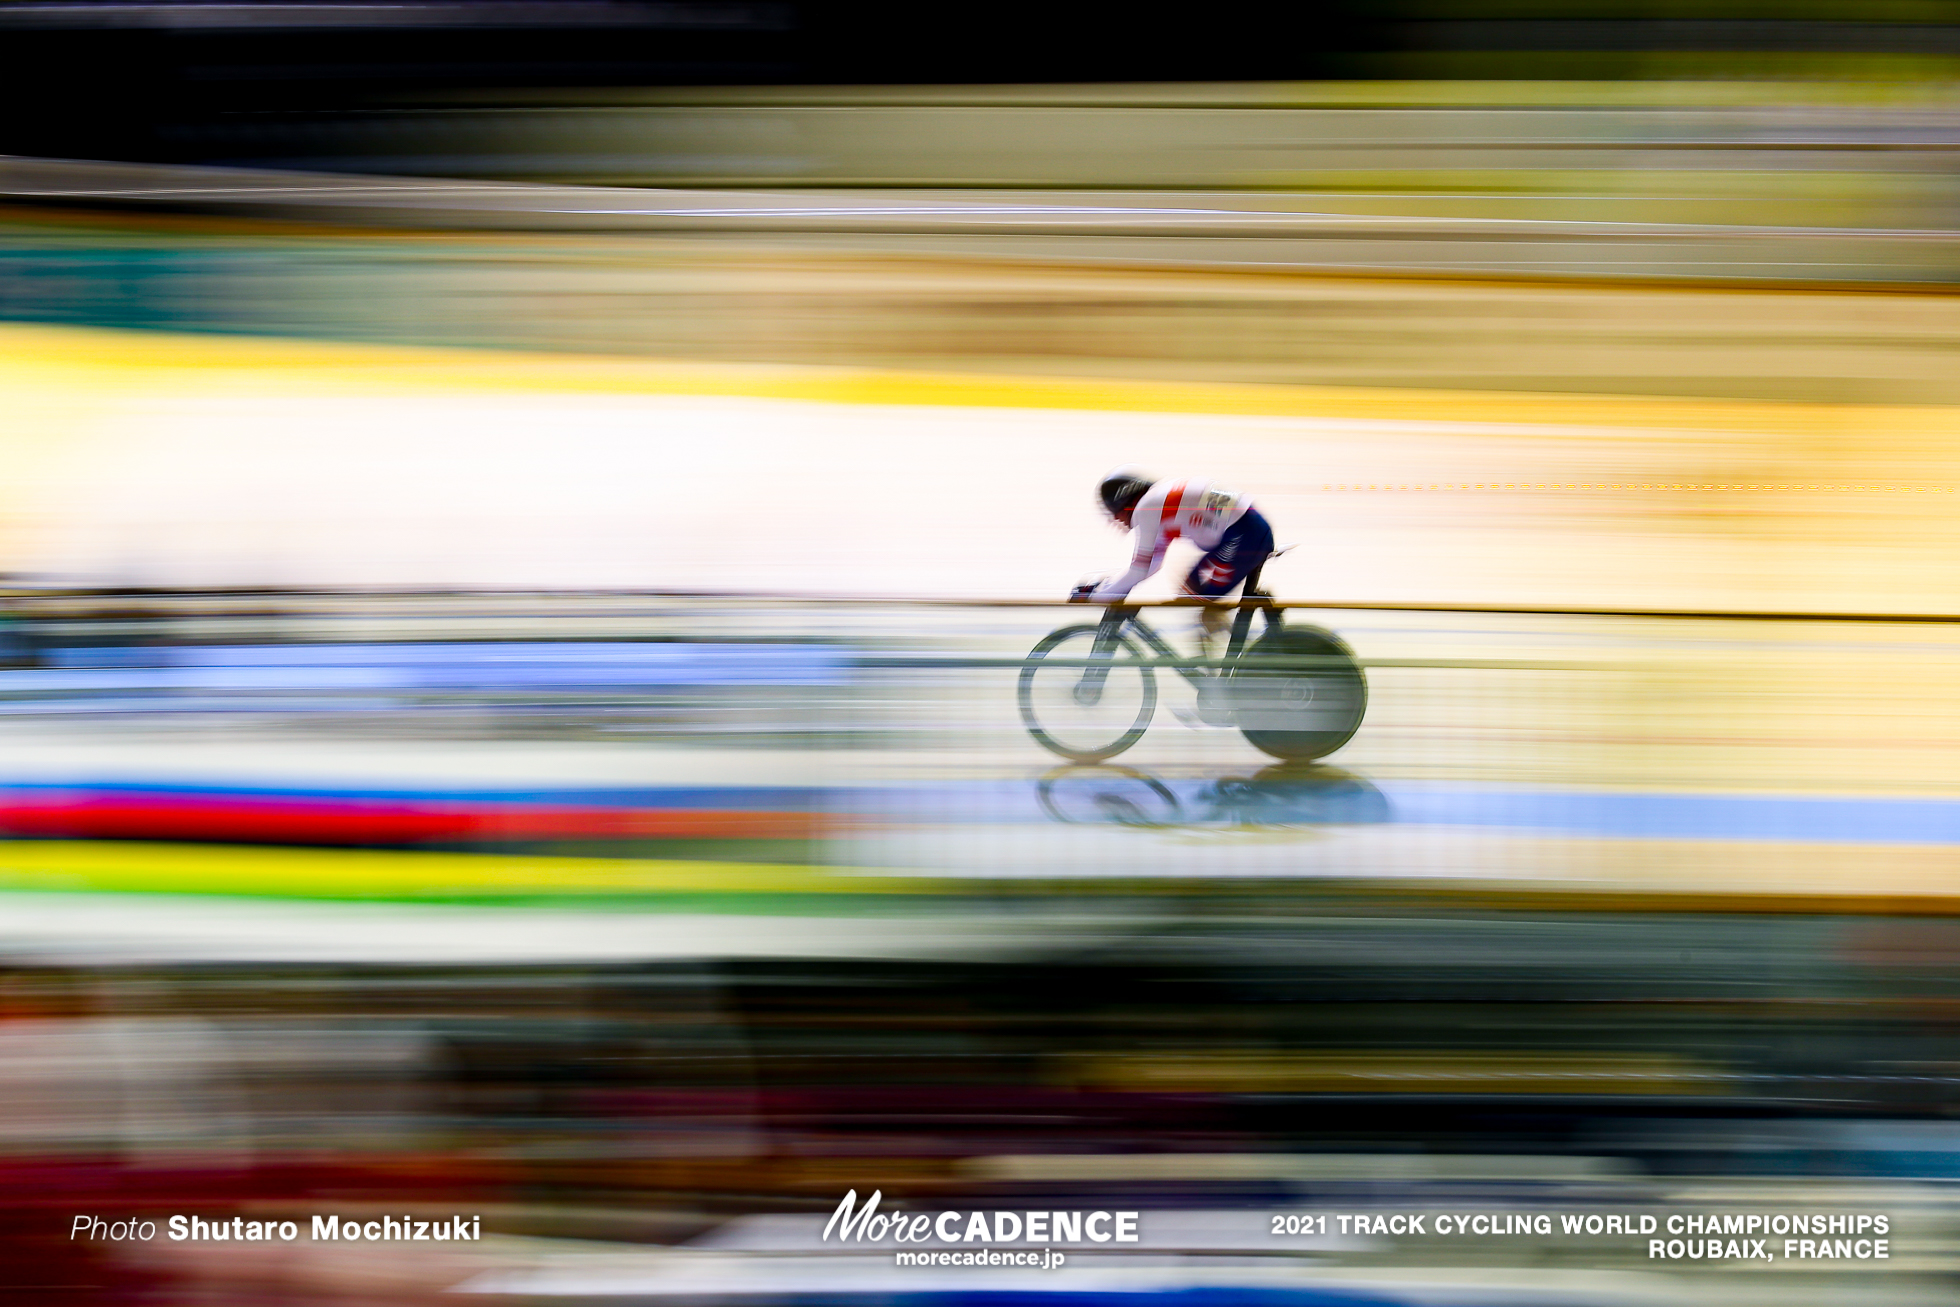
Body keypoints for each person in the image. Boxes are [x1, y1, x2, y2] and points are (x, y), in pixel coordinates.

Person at [1071, 467, 1275, 652]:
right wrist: (1105, 587)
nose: (1118, 523)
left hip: (1242, 535)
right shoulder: (1157, 502)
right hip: (1244, 531)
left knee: (1200, 601)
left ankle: (1251, 661)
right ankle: (1252, 654)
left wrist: (1096, 594)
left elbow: (1139, 570)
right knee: (1193, 589)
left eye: (1115, 516)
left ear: (1124, 504)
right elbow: (1150, 565)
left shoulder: (1147, 508)